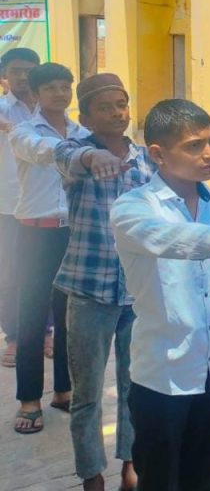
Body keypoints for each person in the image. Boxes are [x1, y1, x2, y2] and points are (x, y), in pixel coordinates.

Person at [111, 99, 210, 490]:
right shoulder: (133, 208)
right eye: (194, 145)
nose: (209, 153)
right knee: (159, 481)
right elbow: (165, 237)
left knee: (206, 478)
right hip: (164, 378)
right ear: (158, 154)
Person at [53, 73, 152, 490]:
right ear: (87, 116)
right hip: (88, 289)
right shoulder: (76, 152)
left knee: (136, 385)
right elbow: (66, 157)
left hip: (137, 293)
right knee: (87, 392)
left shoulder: (146, 159)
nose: (116, 113)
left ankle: (130, 465)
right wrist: (92, 157)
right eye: (105, 107)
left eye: (121, 104)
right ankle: (91, 474)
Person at [8, 62, 88, 434]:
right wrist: (83, 153)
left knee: (70, 316)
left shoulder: (83, 132)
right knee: (32, 317)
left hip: (72, 233)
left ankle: (63, 390)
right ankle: (29, 399)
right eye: (52, 88)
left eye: (65, 87)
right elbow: (43, 152)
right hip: (34, 234)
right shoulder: (24, 132)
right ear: (37, 94)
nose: (60, 93)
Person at [0, 47, 40, 369]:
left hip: (46, 205)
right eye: (16, 70)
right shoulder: (2, 109)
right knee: (11, 274)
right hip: (8, 205)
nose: (23, 76)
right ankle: (13, 336)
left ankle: (45, 332)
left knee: (47, 273)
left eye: (29, 70)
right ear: (5, 75)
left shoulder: (49, 108)